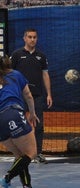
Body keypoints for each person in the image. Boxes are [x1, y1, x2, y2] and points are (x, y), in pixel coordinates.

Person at [10, 28, 53, 164]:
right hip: (19, 96)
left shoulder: (42, 56)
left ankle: (38, 153)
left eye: (34, 37)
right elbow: (9, 74)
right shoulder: (16, 55)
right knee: (18, 124)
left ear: (37, 39)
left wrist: (49, 94)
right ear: (24, 38)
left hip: (37, 96)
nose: (32, 39)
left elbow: (45, 75)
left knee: (38, 125)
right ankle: (20, 153)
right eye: (30, 37)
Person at [0, 55, 39, 188]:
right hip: (12, 113)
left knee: (20, 156)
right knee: (31, 153)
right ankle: (7, 177)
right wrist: (32, 114)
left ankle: (27, 185)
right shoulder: (15, 74)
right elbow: (28, 95)